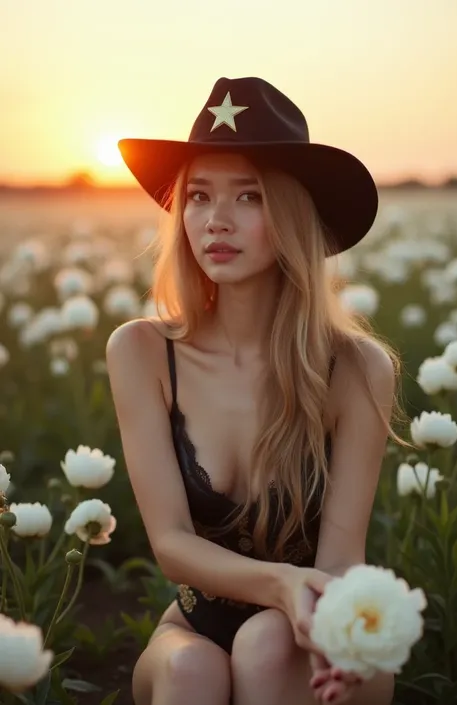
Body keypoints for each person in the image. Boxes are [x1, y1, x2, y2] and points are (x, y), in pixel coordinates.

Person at [107, 76, 399, 705]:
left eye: (249, 196)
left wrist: (320, 619)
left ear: (292, 214)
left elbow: (341, 554)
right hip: (195, 626)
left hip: (320, 615)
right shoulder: (142, 352)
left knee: (268, 648)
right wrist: (278, 584)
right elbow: (172, 546)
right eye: (199, 196)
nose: (216, 220)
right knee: (190, 673)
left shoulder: (357, 368)